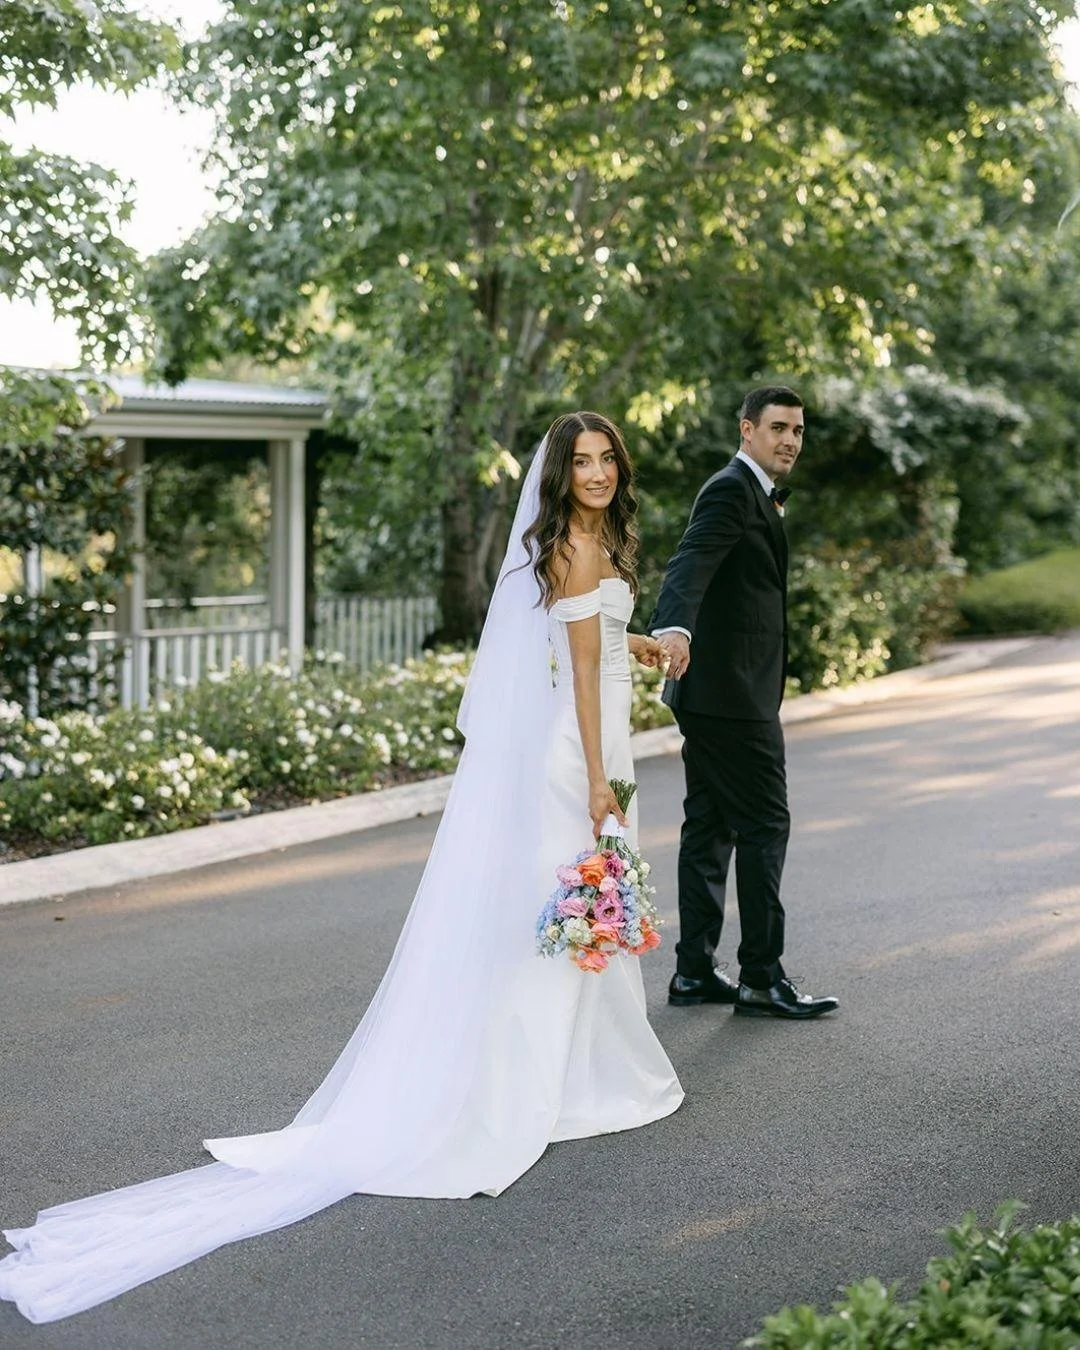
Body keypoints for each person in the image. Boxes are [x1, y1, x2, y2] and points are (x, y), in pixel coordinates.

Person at [0, 413, 682, 1325]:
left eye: (607, 461)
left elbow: (592, 643)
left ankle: (584, 1072)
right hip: (581, 756)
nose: (596, 474)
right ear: (560, 475)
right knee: (562, 910)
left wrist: (650, 645)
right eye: (581, 463)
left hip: (600, 745)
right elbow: (579, 665)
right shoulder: (564, 545)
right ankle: (532, 1087)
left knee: (574, 910)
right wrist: (598, 779)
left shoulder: (599, 540)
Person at [650, 386, 839, 1020]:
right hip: (729, 696)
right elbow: (690, 563)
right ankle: (761, 976)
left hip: (718, 691)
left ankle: (695, 971)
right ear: (747, 430)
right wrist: (672, 627)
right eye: (779, 428)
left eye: (798, 431)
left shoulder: (755, 492)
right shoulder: (733, 488)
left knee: (710, 824)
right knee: (764, 824)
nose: (790, 440)